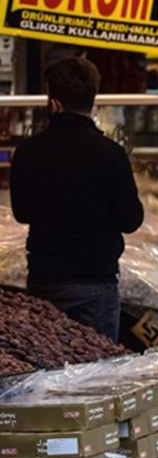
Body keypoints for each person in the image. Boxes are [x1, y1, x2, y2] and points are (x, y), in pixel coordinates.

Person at [10, 56, 143, 342]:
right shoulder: (112, 154)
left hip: (45, 281)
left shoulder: (27, 151)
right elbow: (131, 220)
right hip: (96, 281)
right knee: (96, 366)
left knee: (44, 365)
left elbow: (22, 213)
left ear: (53, 103)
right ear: (93, 101)